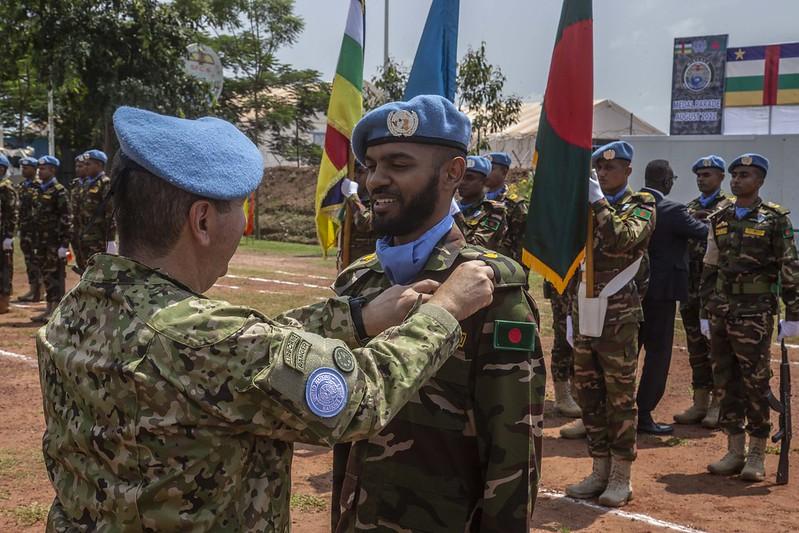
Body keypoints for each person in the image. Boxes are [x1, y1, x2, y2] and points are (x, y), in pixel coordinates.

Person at [36, 105, 497, 532]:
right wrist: (444, 310)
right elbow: (363, 398)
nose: (242, 225)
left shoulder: (77, 311)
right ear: (202, 221)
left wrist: (355, 318)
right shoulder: (205, 340)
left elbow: (238, 350)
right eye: (241, 209)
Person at [331, 95, 545, 532]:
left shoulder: (490, 290)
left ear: (453, 173)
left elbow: (512, 453)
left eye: (398, 164)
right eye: (371, 165)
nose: (376, 180)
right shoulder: (359, 282)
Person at [566, 141, 655, 507]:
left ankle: (621, 474)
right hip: (583, 308)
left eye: (611, 168)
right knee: (588, 394)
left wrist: (599, 202)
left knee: (619, 397)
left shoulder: (642, 204)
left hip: (619, 315)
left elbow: (622, 240)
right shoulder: (585, 205)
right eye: (599, 169)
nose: (603, 173)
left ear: (628, 170)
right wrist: (568, 310)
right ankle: (599, 468)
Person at [700, 153, 799, 482]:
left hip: (755, 312)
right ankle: (734, 448)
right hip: (721, 310)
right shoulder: (720, 217)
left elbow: (789, 267)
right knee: (725, 379)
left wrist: (793, 313)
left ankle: (757, 451)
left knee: (755, 382)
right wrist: (704, 311)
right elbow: (710, 266)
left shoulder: (774, 219)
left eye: (745, 175)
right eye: (735, 174)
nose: (737, 180)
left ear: (760, 181)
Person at [636, 160, 708, 435]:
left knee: (627, 352)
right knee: (657, 354)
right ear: (667, 181)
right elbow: (704, 233)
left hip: (631, 292)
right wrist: (697, 219)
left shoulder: (633, 205)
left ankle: (618, 412)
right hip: (662, 294)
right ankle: (644, 414)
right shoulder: (673, 210)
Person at [674, 155, 733, 427]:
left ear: (721, 177)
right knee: (696, 346)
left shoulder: (731, 209)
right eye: (698, 174)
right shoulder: (688, 208)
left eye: (707, 174)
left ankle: (719, 404)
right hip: (690, 289)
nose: (701, 179)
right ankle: (700, 402)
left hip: (716, 291)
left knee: (717, 348)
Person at [31, 155, 71, 323]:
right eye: (39, 168)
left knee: (56, 275)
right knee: (46, 274)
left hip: (55, 242)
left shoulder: (59, 190)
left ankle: (56, 310)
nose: (39, 172)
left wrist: (64, 244)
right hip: (41, 241)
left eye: (43, 169)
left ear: (53, 170)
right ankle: (48, 308)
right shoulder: (39, 190)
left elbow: (66, 218)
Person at [73, 149, 117, 271]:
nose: (85, 167)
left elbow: (110, 214)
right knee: (85, 271)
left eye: (88, 164)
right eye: (84, 164)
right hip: (83, 237)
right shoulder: (85, 184)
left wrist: (110, 240)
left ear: (99, 165)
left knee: (99, 272)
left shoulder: (105, 184)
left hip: (99, 240)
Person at [545, 277, 582, 418]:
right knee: (564, 335)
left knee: (581, 337)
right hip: (562, 280)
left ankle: (575, 390)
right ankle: (562, 396)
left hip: (584, 280)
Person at [458, 155, 508, 250]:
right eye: (461, 177)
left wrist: (456, 215)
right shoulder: (449, 206)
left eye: (469, 178)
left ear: (485, 181)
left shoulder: (493, 210)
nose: (462, 182)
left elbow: (478, 246)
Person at [486, 151, 529, 263]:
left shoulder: (515, 204)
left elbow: (521, 244)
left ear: (504, 172)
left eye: (491, 169)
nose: (486, 173)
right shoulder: (476, 198)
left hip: (503, 265)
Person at [337, 161, 376, 270]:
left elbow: (364, 223)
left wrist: (353, 197)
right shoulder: (348, 200)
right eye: (352, 172)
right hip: (347, 264)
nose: (354, 176)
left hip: (366, 267)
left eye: (360, 172)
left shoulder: (378, 199)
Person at [17, 156, 42, 302]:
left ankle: (40, 290)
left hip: (36, 230)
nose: (23, 170)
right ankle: (33, 288)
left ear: (34, 169)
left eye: (26, 168)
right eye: (22, 168)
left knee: (37, 260)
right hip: (25, 229)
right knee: (28, 260)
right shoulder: (22, 186)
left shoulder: (39, 186)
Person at [0, 155, 18, 313]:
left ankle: (4, 302)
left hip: (2, 234)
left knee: (4, 267)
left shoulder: (6, 188)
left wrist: (9, 236)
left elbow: (12, 214)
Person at [69, 152, 89, 269]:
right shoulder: (74, 183)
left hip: (90, 231)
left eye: (81, 166)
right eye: (76, 166)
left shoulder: (94, 183)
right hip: (76, 230)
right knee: (80, 261)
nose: (78, 169)